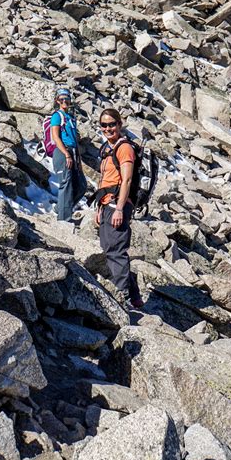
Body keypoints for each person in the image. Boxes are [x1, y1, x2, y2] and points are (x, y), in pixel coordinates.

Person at [94, 108, 143, 309]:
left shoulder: (124, 148)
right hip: (107, 203)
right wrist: (99, 207)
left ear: (119, 125)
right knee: (109, 248)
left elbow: (127, 179)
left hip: (118, 203)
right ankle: (134, 294)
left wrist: (120, 208)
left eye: (112, 124)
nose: (108, 128)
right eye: (104, 125)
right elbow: (104, 179)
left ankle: (122, 298)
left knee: (115, 250)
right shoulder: (108, 148)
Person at [45, 88, 87, 221]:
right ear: (57, 101)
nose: (64, 101)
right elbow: (56, 137)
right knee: (66, 183)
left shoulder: (71, 117)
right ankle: (64, 219)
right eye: (61, 99)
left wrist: (77, 160)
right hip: (63, 152)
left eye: (67, 99)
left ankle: (60, 208)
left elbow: (74, 140)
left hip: (73, 152)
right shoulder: (57, 116)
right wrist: (67, 155)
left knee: (81, 185)